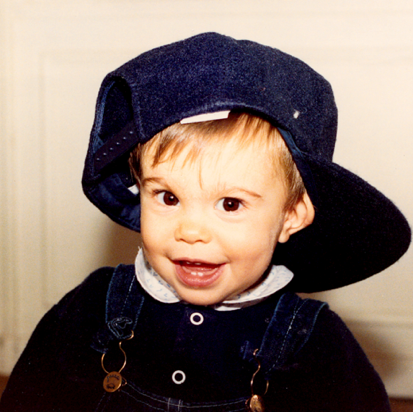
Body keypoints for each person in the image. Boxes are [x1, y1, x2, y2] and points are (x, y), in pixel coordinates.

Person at [0, 32, 410, 412]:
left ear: (291, 216)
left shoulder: (312, 342)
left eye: (230, 204)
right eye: (168, 197)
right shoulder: (94, 307)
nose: (191, 231)